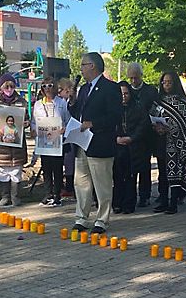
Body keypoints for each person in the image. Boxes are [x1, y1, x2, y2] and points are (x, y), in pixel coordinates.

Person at [68, 53, 122, 234]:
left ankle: (102, 219)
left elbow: (115, 116)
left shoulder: (110, 88)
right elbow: (78, 113)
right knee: (81, 182)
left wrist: (93, 123)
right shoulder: (83, 89)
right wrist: (73, 101)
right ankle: (82, 218)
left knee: (102, 183)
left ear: (93, 66)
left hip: (100, 142)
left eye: (83, 65)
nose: (81, 68)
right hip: (82, 142)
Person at [150, 71, 186, 214]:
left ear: (175, 83)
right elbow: (151, 117)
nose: (166, 84)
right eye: (164, 82)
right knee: (162, 173)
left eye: (169, 82)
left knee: (174, 173)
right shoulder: (158, 101)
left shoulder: (182, 101)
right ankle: (163, 200)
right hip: (161, 142)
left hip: (176, 144)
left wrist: (171, 129)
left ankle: (173, 203)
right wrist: (157, 127)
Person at [0, 73, 27, 207]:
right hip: (2, 144)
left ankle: (16, 196)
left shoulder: (21, 101)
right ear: (1, 87)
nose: (9, 88)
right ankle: (5, 196)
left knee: (16, 171)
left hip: (17, 143)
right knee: (3, 170)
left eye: (12, 86)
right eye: (6, 86)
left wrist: (26, 123)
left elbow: (26, 118)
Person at [31, 77, 70, 207]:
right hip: (44, 141)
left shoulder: (61, 102)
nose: (47, 88)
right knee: (46, 168)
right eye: (44, 86)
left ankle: (57, 195)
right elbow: (34, 122)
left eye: (50, 85)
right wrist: (33, 130)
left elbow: (67, 119)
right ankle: (48, 194)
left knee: (57, 169)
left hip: (58, 141)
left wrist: (64, 129)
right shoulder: (38, 104)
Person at [113, 80, 150, 214]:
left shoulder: (137, 107)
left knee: (130, 177)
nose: (124, 96)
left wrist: (131, 138)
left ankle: (129, 204)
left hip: (133, 147)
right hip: (117, 147)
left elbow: (143, 125)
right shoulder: (114, 108)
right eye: (121, 94)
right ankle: (117, 203)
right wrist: (116, 138)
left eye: (126, 93)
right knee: (117, 177)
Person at [126, 62, 160, 208]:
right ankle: (130, 195)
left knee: (145, 168)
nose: (134, 81)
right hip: (130, 135)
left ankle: (145, 195)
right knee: (130, 168)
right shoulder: (127, 91)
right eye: (131, 78)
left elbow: (157, 109)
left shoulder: (151, 91)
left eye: (136, 77)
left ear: (141, 76)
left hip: (146, 136)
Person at [57, 77, 77, 199]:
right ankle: (63, 185)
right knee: (63, 161)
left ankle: (70, 186)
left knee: (70, 161)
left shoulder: (70, 102)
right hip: (59, 137)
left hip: (70, 135)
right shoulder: (59, 102)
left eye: (62, 90)